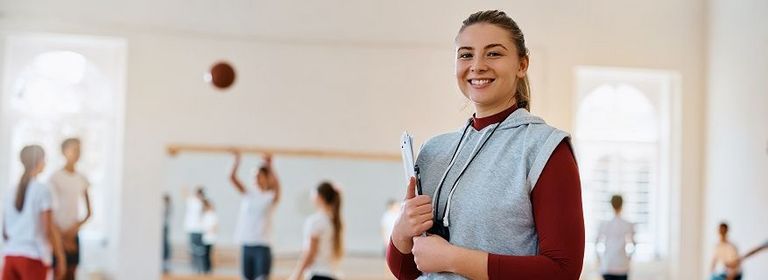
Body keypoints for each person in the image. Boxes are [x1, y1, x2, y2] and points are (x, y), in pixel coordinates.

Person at [386, 10, 584, 279]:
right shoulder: (434, 152)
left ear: (522, 64)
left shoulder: (545, 149)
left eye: (493, 53)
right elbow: (408, 271)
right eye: (466, 54)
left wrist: (454, 259)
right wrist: (401, 230)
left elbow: (563, 271)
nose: (477, 65)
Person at [2, 145, 66, 280]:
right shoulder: (42, 190)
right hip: (33, 257)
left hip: (10, 255)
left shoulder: (11, 191)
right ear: (39, 161)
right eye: (44, 159)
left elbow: (5, 230)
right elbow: (48, 229)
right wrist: (60, 256)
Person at [230, 151, 281, 280]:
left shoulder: (269, 197)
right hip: (247, 244)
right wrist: (236, 161)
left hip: (262, 245)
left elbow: (277, 187)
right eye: (254, 176)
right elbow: (232, 178)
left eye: (258, 176)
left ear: (265, 177)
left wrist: (270, 166)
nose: (255, 179)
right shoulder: (249, 194)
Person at [49, 138, 92, 280]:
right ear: (64, 151)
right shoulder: (55, 178)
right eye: (74, 149)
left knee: (71, 274)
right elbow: (49, 211)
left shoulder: (82, 178)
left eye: (79, 149)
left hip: (73, 235)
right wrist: (59, 235)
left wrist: (74, 229)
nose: (77, 153)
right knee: (59, 274)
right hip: (57, 235)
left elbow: (89, 212)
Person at [288, 182, 344, 280]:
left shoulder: (316, 221)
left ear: (319, 197)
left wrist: (296, 275)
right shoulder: (332, 221)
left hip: (318, 274)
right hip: (331, 274)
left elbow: (310, 252)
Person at [595, 195, 636, 280]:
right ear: (622, 205)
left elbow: (596, 243)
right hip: (622, 265)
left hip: (607, 265)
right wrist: (628, 258)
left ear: (611, 205)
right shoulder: (628, 224)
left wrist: (600, 260)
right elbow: (634, 244)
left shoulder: (604, 224)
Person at [183, 186, 206, 273]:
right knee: (195, 249)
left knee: (198, 250)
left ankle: (199, 268)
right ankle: (196, 267)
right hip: (194, 229)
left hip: (197, 229)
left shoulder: (200, 202)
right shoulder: (195, 201)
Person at [200, 198, 218, 274]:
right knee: (205, 254)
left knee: (209, 254)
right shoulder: (205, 215)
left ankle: (208, 269)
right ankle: (205, 268)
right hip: (205, 237)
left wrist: (210, 230)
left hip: (211, 237)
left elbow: (215, 226)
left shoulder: (213, 215)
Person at [162, 193, 172, 274]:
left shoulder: (167, 207)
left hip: (164, 226)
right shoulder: (164, 207)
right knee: (164, 243)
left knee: (165, 243)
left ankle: (166, 258)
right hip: (163, 226)